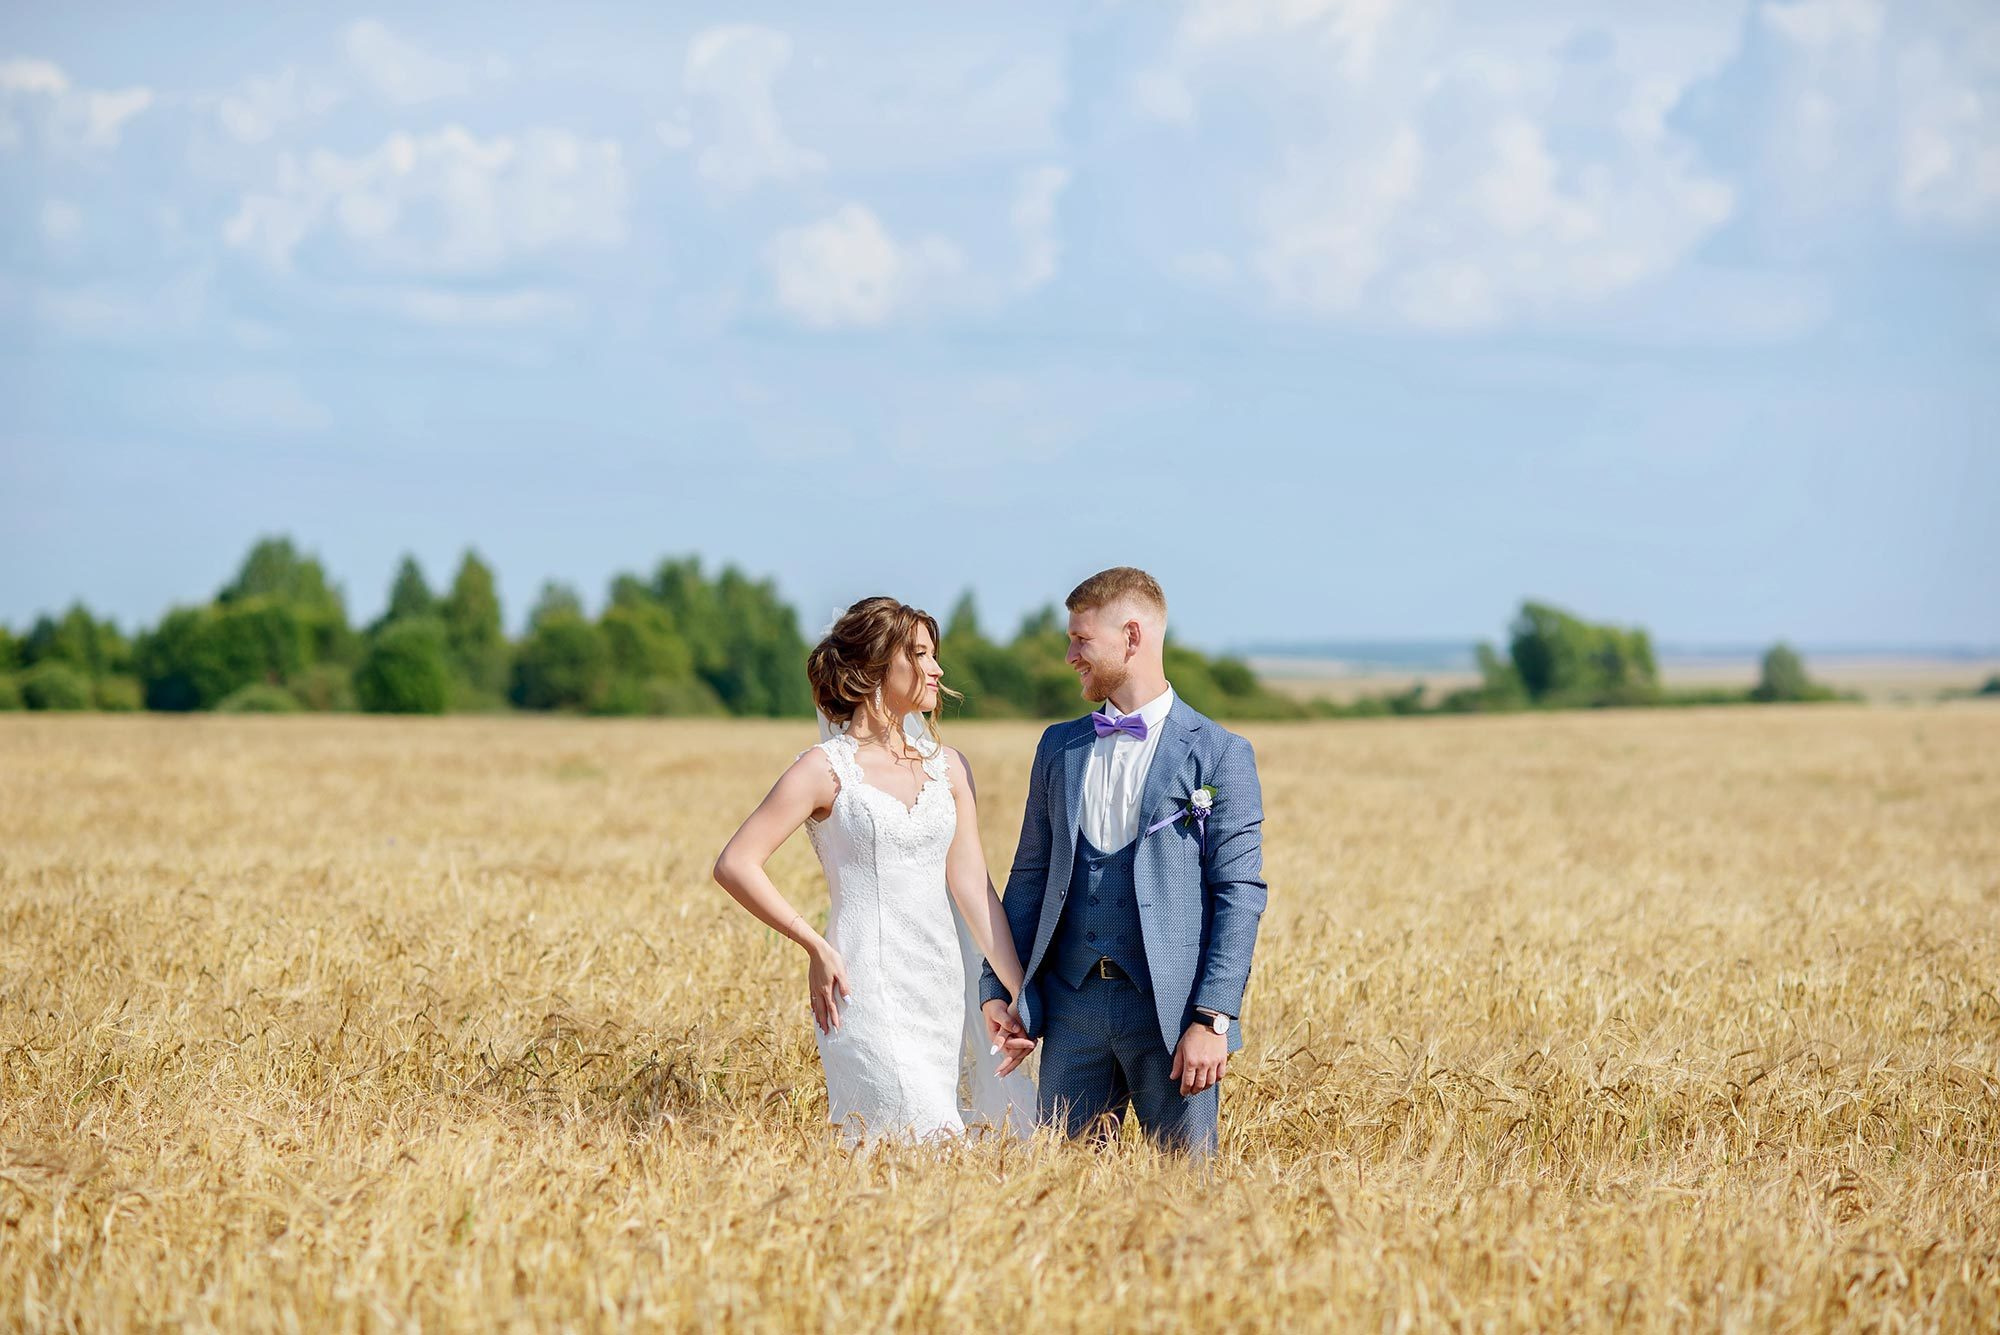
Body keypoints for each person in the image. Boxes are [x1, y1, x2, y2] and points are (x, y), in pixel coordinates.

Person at [712, 597, 1037, 1144]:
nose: (937, 669)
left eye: (935, 656)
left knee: (918, 1157)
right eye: (920, 655)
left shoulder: (949, 768)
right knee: (923, 1139)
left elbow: (973, 888)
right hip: (862, 986)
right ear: (873, 668)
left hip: (938, 985)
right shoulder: (824, 770)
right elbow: (736, 863)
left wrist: (1020, 993)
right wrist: (814, 945)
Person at [978, 566, 1268, 1156]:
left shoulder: (1221, 753)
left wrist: (1212, 1020)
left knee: (1187, 1195)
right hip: (1071, 1015)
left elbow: (1240, 892)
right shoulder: (1059, 746)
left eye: (1081, 640)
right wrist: (999, 987)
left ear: (1131, 636)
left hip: (1173, 1019)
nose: (1069, 655)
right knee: (1065, 1197)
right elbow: (1030, 874)